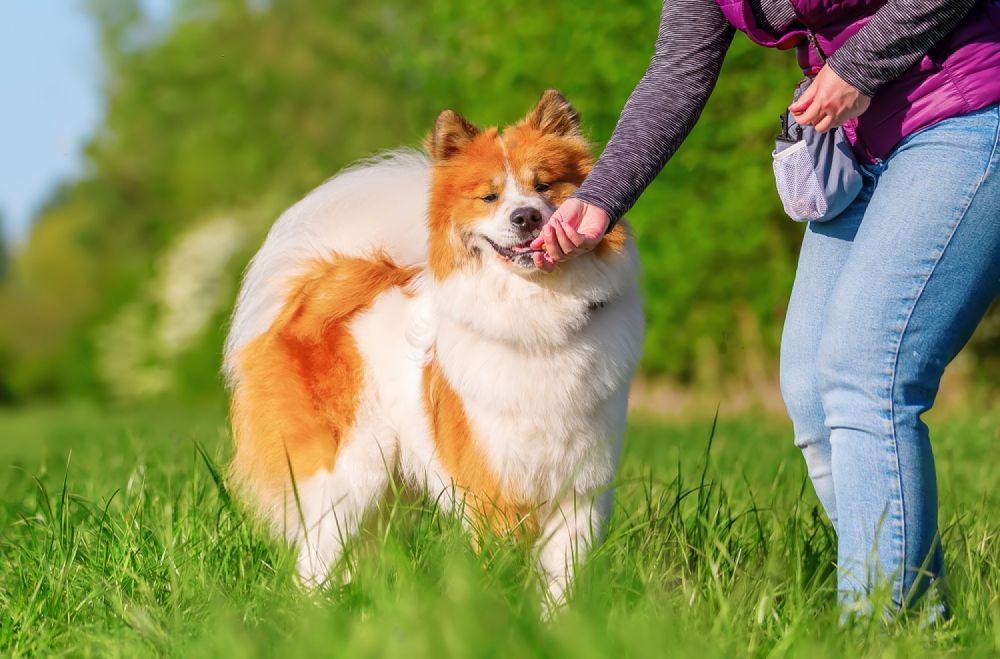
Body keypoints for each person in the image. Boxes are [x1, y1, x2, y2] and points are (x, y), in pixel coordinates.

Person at [532, 0, 1000, 617]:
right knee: (811, 391)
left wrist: (858, 66)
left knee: (867, 376)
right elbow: (678, 74)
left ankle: (885, 628)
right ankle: (919, 618)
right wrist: (600, 200)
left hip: (964, 110)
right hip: (857, 146)